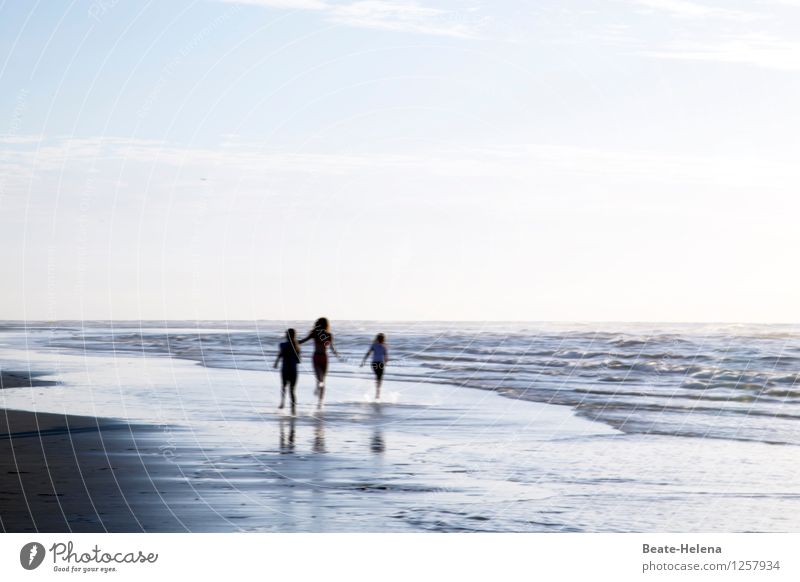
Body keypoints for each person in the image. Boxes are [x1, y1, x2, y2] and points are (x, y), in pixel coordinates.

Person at [298, 317, 338, 408]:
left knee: (320, 378)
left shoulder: (315, 333)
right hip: (324, 357)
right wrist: (337, 355)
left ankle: (318, 391)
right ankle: (320, 402)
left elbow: (302, 341)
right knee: (322, 380)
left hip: (316, 357)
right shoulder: (328, 335)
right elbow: (332, 348)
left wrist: (292, 342)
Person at [274, 328, 301, 413]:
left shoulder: (282, 345)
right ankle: (293, 410)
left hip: (285, 369)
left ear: (286, 336)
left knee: (284, 387)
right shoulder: (297, 347)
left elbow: (280, 355)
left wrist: (276, 363)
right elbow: (299, 361)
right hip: (293, 370)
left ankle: (282, 403)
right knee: (292, 390)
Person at [361, 333, 387, 399]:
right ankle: (377, 393)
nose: (382, 340)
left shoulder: (374, 345)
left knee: (378, 377)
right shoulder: (384, 346)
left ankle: (377, 392)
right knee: (379, 378)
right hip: (380, 363)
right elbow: (386, 357)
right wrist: (386, 362)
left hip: (375, 363)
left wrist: (363, 361)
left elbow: (368, 353)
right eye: (382, 339)